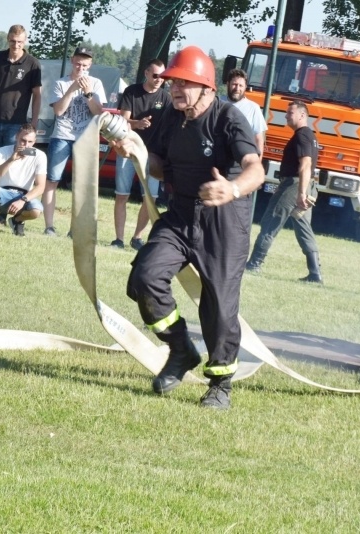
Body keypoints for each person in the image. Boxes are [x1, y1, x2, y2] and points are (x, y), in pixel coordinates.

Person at [111, 46, 264, 410]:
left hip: (223, 222)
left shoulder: (228, 118)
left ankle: (220, 385)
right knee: (144, 278)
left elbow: (255, 168)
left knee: (219, 308)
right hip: (180, 214)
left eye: (185, 82)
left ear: (208, 87)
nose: (175, 88)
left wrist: (233, 188)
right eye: (173, 81)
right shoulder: (169, 117)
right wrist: (133, 149)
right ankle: (181, 350)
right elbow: (160, 166)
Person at [245, 101, 323, 283]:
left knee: (269, 223)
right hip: (306, 185)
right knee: (304, 229)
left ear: (302, 115)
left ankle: (254, 264)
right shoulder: (309, 136)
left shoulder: (302, 136)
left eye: (290, 113)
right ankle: (315, 273)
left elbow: (305, 165)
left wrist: (301, 193)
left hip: (294, 185)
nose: (286, 116)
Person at [43, 46, 106, 236]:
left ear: (90, 65)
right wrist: (71, 89)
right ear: (72, 61)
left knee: (80, 185)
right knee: (52, 180)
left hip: (85, 138)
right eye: (78, 64)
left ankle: (74, 230)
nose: (81, 68)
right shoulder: (60, 83)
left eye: (85, 65)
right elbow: (58, 111)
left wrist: (87, 93)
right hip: (62, 136)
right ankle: (49, 226)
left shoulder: (95, 84)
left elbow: (98, 112)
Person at [111, 58, 171, 250]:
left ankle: (137, 238)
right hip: (127, 149)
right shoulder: (132, 92)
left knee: (150, 198)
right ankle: (118, 239)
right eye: (155, 76)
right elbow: (122, 121)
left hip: (153, 155)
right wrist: (138, 124)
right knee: (122, 195)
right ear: (146, 73)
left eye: (162, 77)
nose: (159, 80)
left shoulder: (167, 98)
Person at [0, 25, 42, 181]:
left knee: (12, 169)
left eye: (20, 42)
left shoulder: (32, 64)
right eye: (13, 41)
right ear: (8, 39)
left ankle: (8, 201)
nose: (16, 45)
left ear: (25, 41)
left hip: (16, 126)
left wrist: (33, 122)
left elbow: (37, 95)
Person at [0, 124, 46, 236]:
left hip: (23, 196)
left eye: (30, 142)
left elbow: (40, 187)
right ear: (16, 137)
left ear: (34, 141)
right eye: (23, 140)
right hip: (2, 192)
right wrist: (11, 160)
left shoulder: (40, 156)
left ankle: (17, 221)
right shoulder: (2, 151)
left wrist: (23, 200)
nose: (26, 145)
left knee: (36, 211)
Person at [220, 68, 267, 158]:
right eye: (234, 84)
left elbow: (258, 139)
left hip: (241, 161)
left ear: (245, 87)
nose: (237, 88)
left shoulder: (253, 108)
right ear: (227, 84)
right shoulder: (218, 103)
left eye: (241, 86)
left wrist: (256, 165)